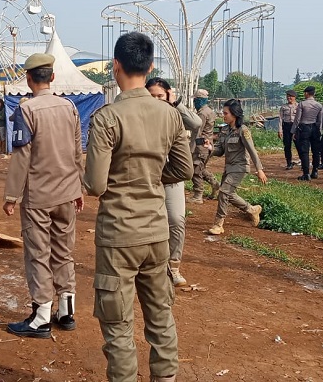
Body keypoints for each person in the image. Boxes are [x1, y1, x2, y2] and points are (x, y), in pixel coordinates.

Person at [83, 32, 192, 382]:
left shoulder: (106, 118)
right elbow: (184, 170)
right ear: (150, 67)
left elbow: (97, 184)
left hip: (118, 235)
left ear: (116, 66)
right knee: (161, 317)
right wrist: (150, 178)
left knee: (118, 326)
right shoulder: (169, 115)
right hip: (156, 234)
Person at [2, 53, 84, 339]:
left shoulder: (26, 110)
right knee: (64, 252)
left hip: (39, 196)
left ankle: (40, 317)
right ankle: (66, 310)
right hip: (67, 193)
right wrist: (78, 188)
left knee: (39, 254)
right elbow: (76, 151)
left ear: (28, 78)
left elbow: (21, 156)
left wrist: (11, 196)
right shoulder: (70, 107)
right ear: (52, 77)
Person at [146, 78, 201, 288]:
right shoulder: (143, 114)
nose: (156, 100)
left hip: (173, 175)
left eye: (160, 96)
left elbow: (196, 124)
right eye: (152, 96)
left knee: (176, 220)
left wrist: (176, 103)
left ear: (168, 94)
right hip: (148, 176)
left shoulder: (176, 113)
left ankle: (174, 266)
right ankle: (151, 266)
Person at [206, 99, 267, 235]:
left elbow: (252, 151)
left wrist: (259, 170)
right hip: (229, 167)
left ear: (234, 114)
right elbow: (220, 150)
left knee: (223, 192)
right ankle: (252, 209)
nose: (223, 115)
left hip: (240, 167)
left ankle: (218, 224)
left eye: (226, 113)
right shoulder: (225, 130)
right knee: (229, 194)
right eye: (223, 113)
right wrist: (210, 149)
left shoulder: (243, 130)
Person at [189, 88, 220, 204]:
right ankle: (215, 184)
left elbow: (197, 132)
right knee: (201, 167)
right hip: (208, 145)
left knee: (194, 169)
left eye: (195, 100)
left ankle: (198, 195)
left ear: (200, 100)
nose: (194, 102)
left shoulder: (202, 113)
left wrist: (190, 149)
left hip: (200, 146)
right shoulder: (210, 111)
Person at [291, 85, 323, 180]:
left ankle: (306, 173)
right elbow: (320, 121)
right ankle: (315, 171)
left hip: (304, 128)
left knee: (304, 151)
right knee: (315, 151)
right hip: (315, 128)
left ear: (306, 93)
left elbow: (297, 119)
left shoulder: (302, 104)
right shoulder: (319, 105)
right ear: (314, 94)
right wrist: (319, 131)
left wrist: (293, 131)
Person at [278, 90, 298, 170]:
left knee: (299, 145)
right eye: (288, 96)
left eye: (291, 96)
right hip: (286, 127)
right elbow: (280, 119)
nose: (289, 98)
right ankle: (289, 163)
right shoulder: (283, 107)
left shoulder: (298, 106)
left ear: (294, 97)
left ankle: (303, 162)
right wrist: (280, 130)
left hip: (296, 127)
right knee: (287, 146)